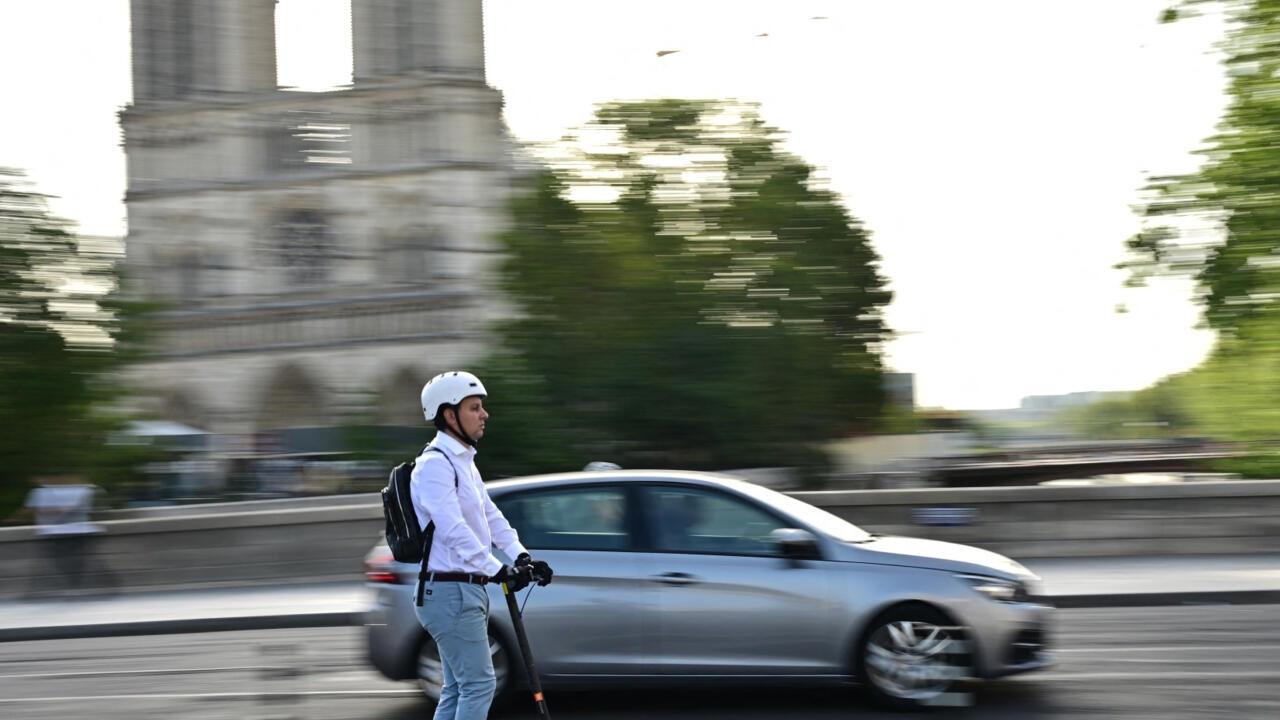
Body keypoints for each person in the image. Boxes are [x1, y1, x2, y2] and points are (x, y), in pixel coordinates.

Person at [412, 371, 554, 720]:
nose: (484, 414)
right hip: (449, 592)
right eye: (475, 407)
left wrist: (521, 556)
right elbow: (452, 529)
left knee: (458, 688)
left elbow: (491, 517)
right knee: (479, 685)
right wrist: (497, 568)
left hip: (463, 590)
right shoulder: (434, 466)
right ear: (449, 415)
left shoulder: (463, 463)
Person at [23, 475, 106, 596]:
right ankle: (75, 585)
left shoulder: (39, 492)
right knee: (75, 560)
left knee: (62, 561)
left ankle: (72, 585)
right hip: (74, 531)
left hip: (55, 532)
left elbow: (34, 510)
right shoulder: (84, 490)